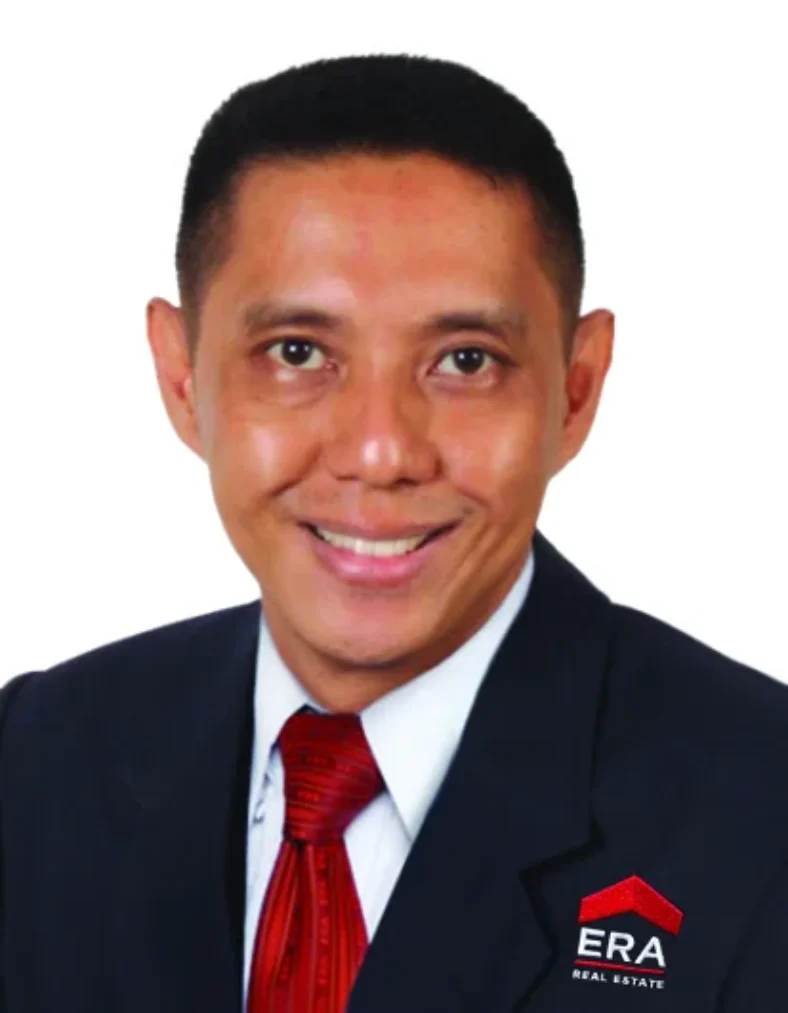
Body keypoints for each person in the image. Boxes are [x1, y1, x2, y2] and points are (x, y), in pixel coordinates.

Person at [1, 52, 787, 1013]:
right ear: (181, 377)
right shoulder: (34, 764)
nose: (380, 452)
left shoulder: (763, 812)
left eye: (466, 360)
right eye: (297, 352)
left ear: (577, 390)